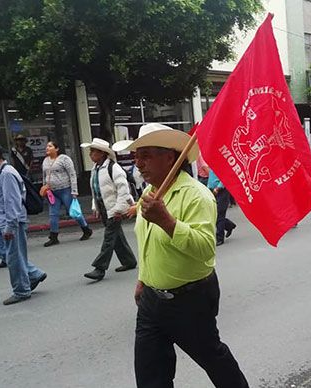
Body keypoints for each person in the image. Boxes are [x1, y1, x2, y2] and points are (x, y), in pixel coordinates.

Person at [111, 123, 248, 387]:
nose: (138, 163)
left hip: (190, 299)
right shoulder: (150, 194)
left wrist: (167, 221)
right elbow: (148, 243)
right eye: (137, 156)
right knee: (151, 375)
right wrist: (143, 279)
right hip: (152, 301)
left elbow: (206, 249)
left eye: (146, 155)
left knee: (214, 360)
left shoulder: (197, 196)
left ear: (170, 157)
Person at [0, 141, 47, 305]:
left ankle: (21, 290)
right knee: (3, 253)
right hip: (2, 222)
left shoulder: (7, 174)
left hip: (11, 223)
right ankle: (34, 274)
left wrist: (10, 227)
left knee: (14, 258)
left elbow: (12, 203)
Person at [80, 138, 137, 281]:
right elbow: (96, 190)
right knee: (116, 236)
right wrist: (95, 206)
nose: (90, 154)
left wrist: (118, 209)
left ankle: (100, 268)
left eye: (93, 151)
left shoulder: (114, 168)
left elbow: (123, 190)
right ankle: (129, 261)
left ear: (102, 153)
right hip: (105, 207)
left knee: (109, 238)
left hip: (114, 208)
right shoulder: (96, 169)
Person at [40, 141, 92, 246]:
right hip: (52, 191)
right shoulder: (45, 161)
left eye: (50, 146)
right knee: (53, 214)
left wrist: (74, 191)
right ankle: (54, 236)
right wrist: (44, 187)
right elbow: (44, 175)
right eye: (47, 146)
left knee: (74, 211)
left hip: (65, 190)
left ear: (56, 149)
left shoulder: (64, 159)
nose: (47, 148)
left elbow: (72, 174)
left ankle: (86, 229)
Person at [207, 168, 236, 246]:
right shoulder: (211, 164)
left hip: (222, 191)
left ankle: (220, 238)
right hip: (213, 191)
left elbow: (225, 178)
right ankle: (229, 225)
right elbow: (211, 177)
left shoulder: (220, 164)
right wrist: (208, 187)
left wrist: (219, 187)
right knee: (215, 214)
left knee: (220, 213)